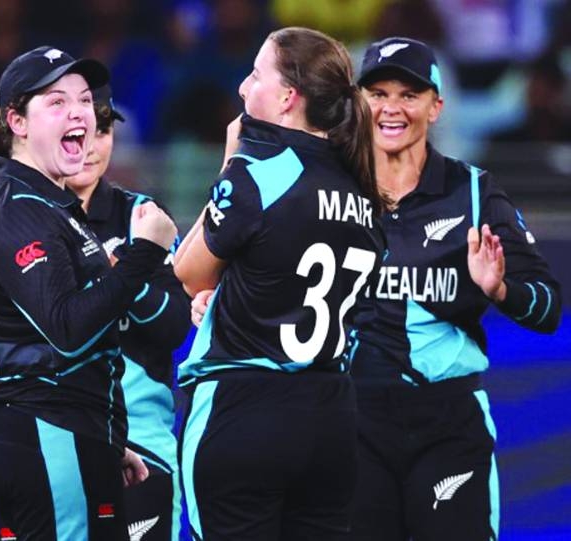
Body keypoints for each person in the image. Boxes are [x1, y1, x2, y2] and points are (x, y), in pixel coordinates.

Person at [0, 46, 177, 541]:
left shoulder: (41, 202)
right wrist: (144, 254)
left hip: (61, 429)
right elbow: (69, 331)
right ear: (16, 121)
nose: (77, 111)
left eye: (83, 100)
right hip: (43, 429)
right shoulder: (18, 203)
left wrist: (101, 439)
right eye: (56, 102)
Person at [346, 37, 562, 541]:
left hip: (447, 426)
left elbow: (547, 305)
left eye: (409, 94)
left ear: (436, 106)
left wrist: (501, 288)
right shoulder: (330, 189)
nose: (391, 108)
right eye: (377, 93)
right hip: (351, 422)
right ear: (358, 104)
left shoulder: (473, 191)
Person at [174, 27, 384, 540]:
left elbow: (189, 273)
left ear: (288, 97)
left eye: (255, 74)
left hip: (245, 407)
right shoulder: (364, 186)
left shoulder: (259, 171)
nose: (244, 89)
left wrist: (230, 164)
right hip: (331, 414)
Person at [62, 83, 190, 541]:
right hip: (53, 442)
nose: (92, 147)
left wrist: (127, 279)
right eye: (81, 132)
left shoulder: (145, 216)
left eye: (103, 133)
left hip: (142, 439)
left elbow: (174, 327)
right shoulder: (19, 216)